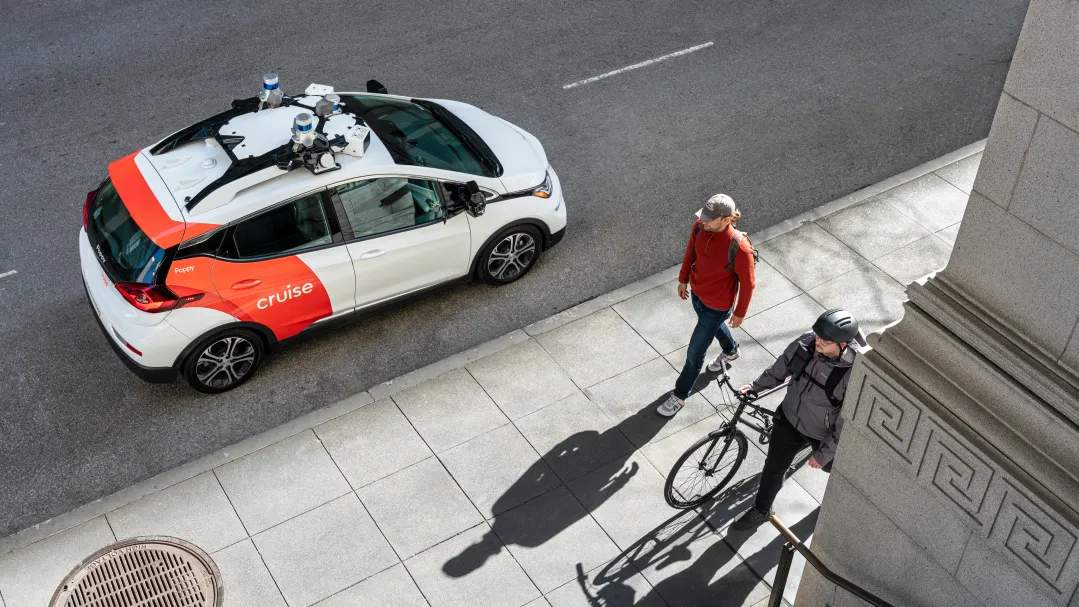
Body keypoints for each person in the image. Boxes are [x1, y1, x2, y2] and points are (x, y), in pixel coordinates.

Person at [729, 309, 860, 530]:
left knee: (837, 472)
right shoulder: (807, 343)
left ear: (843, 344)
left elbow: (846, 421)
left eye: (825, 341)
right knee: (773, 467)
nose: (818, 342)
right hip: (790, 417)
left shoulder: (852, 374)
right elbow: (780, 368)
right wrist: (755, 387)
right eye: (818, 335)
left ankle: (839, 504)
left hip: (822, 434)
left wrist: (823, 455)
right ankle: (761, 510)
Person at [658, 194, 756, 417]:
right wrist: (683, 279)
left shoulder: (740, 247)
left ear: (726, 219)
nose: (703, 221)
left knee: (695, 353)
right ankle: (731, 351)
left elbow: (749, 284)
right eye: (703, 217)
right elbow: (690, 252)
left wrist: (740, 313)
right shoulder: (700, 226)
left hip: (717, 306)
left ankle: (679, 395)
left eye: (709, 219)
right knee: (712, 327)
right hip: (697, 294)